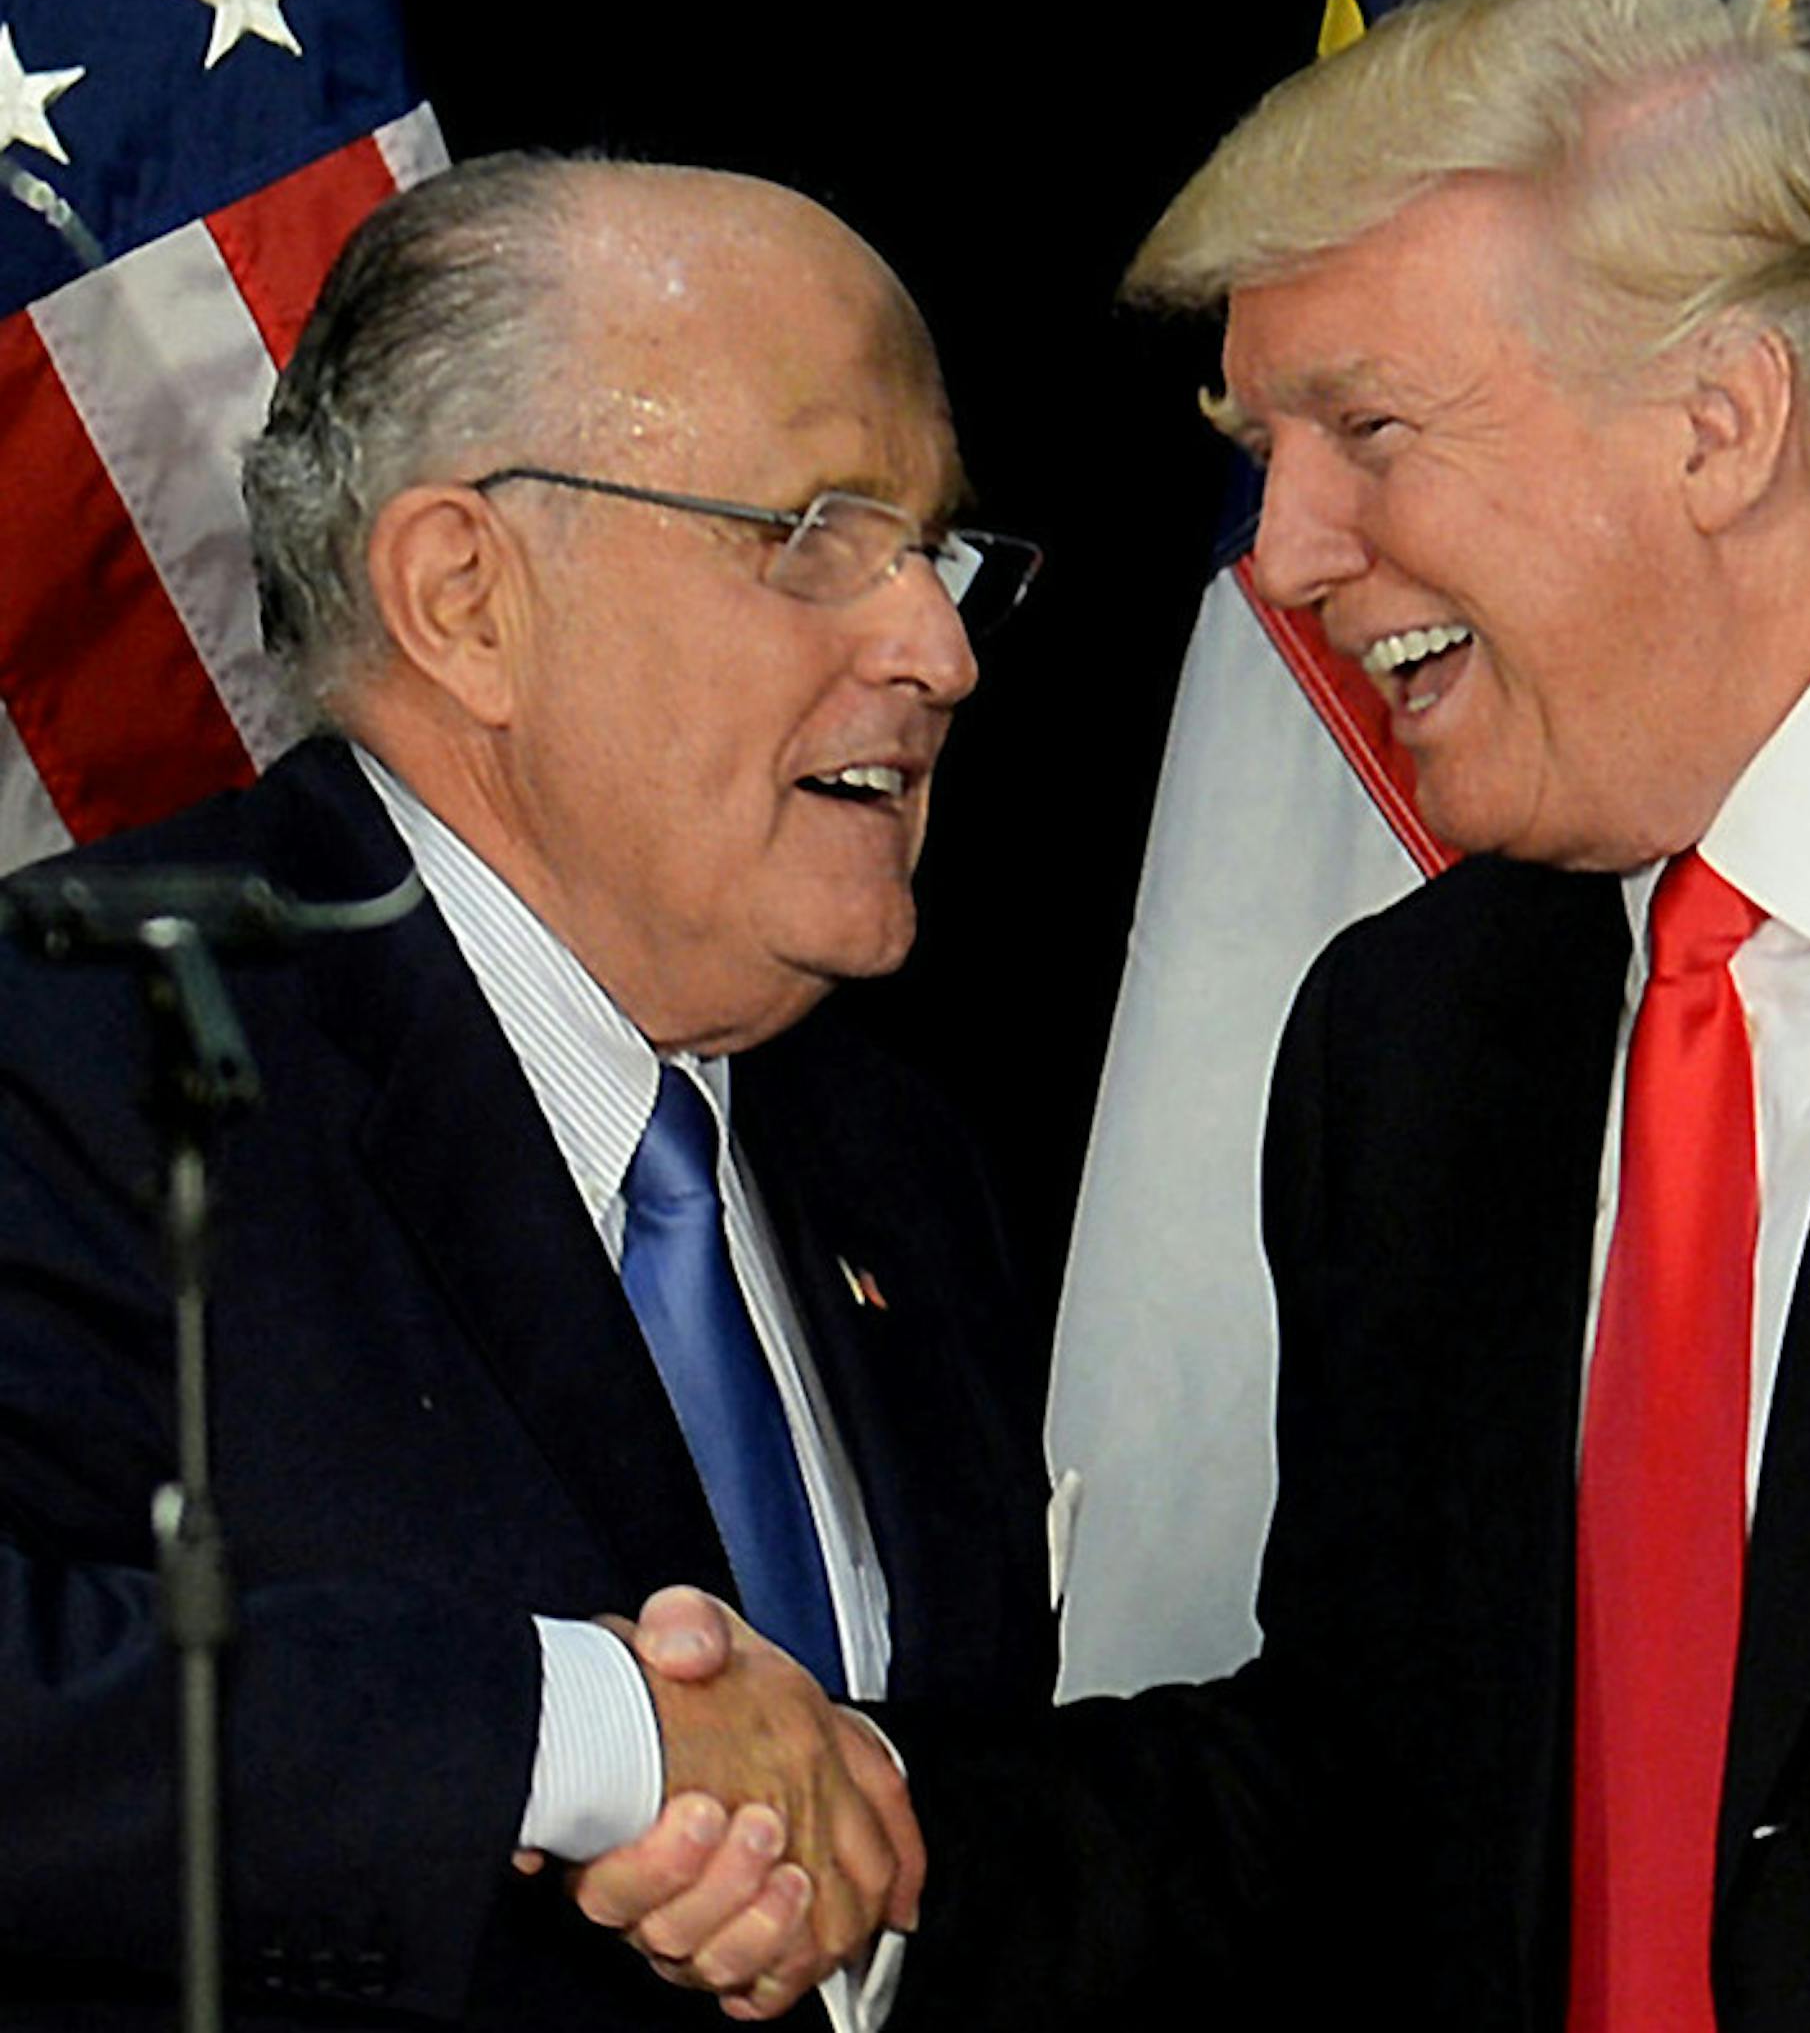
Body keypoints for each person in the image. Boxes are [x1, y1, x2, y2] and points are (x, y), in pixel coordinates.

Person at [591, 0, 1810, 2030]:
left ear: (1723, 419)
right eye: (1268, 445)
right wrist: (868, 1825)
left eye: (1366, 428)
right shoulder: (1413, 1038)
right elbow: (1367, 1793)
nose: (1293, 549)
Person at [0, 153, 1053, 2030]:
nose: (940, 650)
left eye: (941, 549)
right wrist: (587, 1730)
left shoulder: (895, 1159)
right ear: (467, 598)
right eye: (819, 532)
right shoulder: (82, 1046)